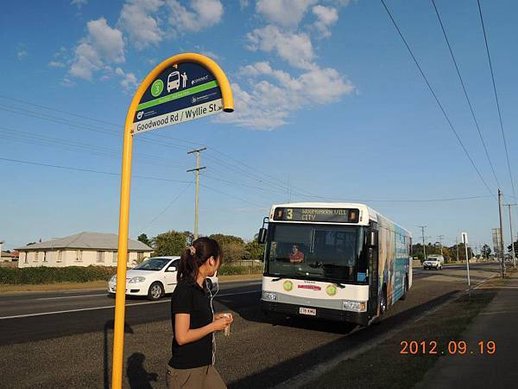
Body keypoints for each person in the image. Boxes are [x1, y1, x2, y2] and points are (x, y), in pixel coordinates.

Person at [167, 237, 233, 389]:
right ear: (211, 260)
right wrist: (213, 326)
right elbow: (182, 337)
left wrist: (216, 319)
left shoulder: (201, 288)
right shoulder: (185, 290)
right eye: (219, 261)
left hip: (205, 367)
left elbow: (196, 318)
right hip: (186, 371)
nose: (218, 266)